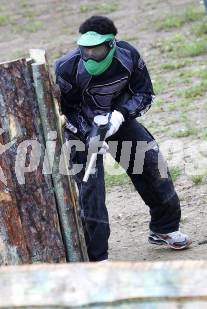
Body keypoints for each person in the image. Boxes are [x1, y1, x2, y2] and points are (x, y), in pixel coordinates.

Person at [54, 15, 191, 262]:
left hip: (119, 121)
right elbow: (65, 111)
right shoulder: (66, 67)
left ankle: (164, 228)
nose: (90, 55)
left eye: (96, 49)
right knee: (91, 189)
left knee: (152, 164)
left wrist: (120, 116)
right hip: (82, 129)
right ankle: (97, 257)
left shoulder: (128, 56)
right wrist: (88, 135)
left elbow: (144, 93)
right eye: (85, 49)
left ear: (111, 44)